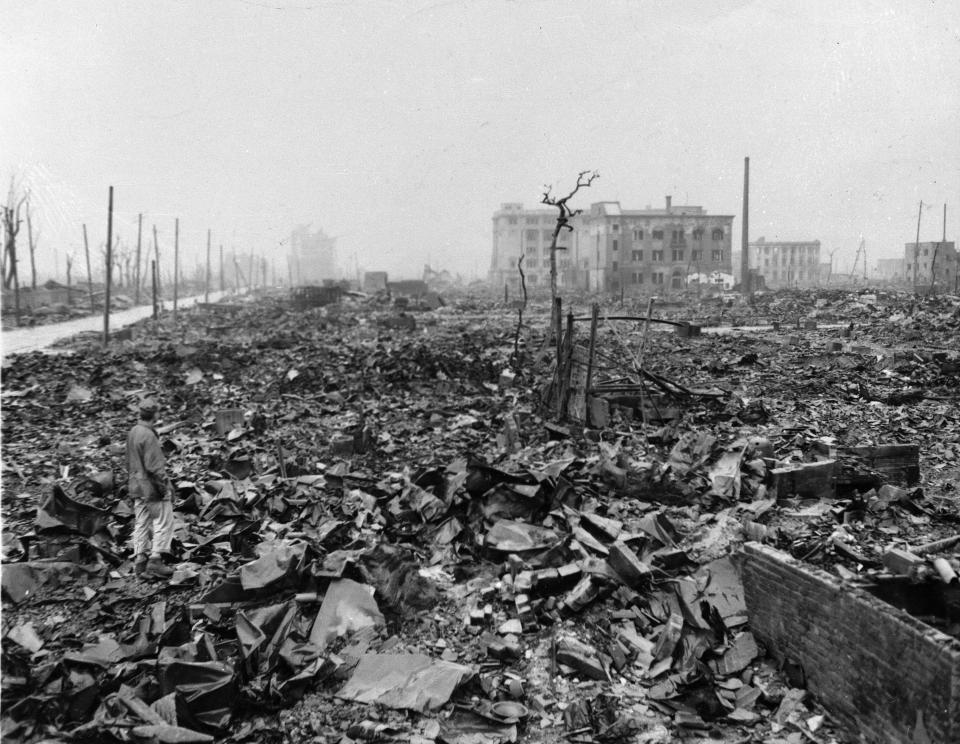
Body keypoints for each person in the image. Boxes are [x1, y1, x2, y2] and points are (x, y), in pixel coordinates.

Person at [127, 398, 174, 579]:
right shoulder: (149, 436)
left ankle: (140, 560)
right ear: (155, 414)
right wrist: (166, 486)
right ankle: (155, 560)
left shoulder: (133, 432)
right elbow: (154, 467)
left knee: (141, 522)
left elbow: (129, 461)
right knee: (163, 520)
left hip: (136, 485)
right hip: (152, 486)